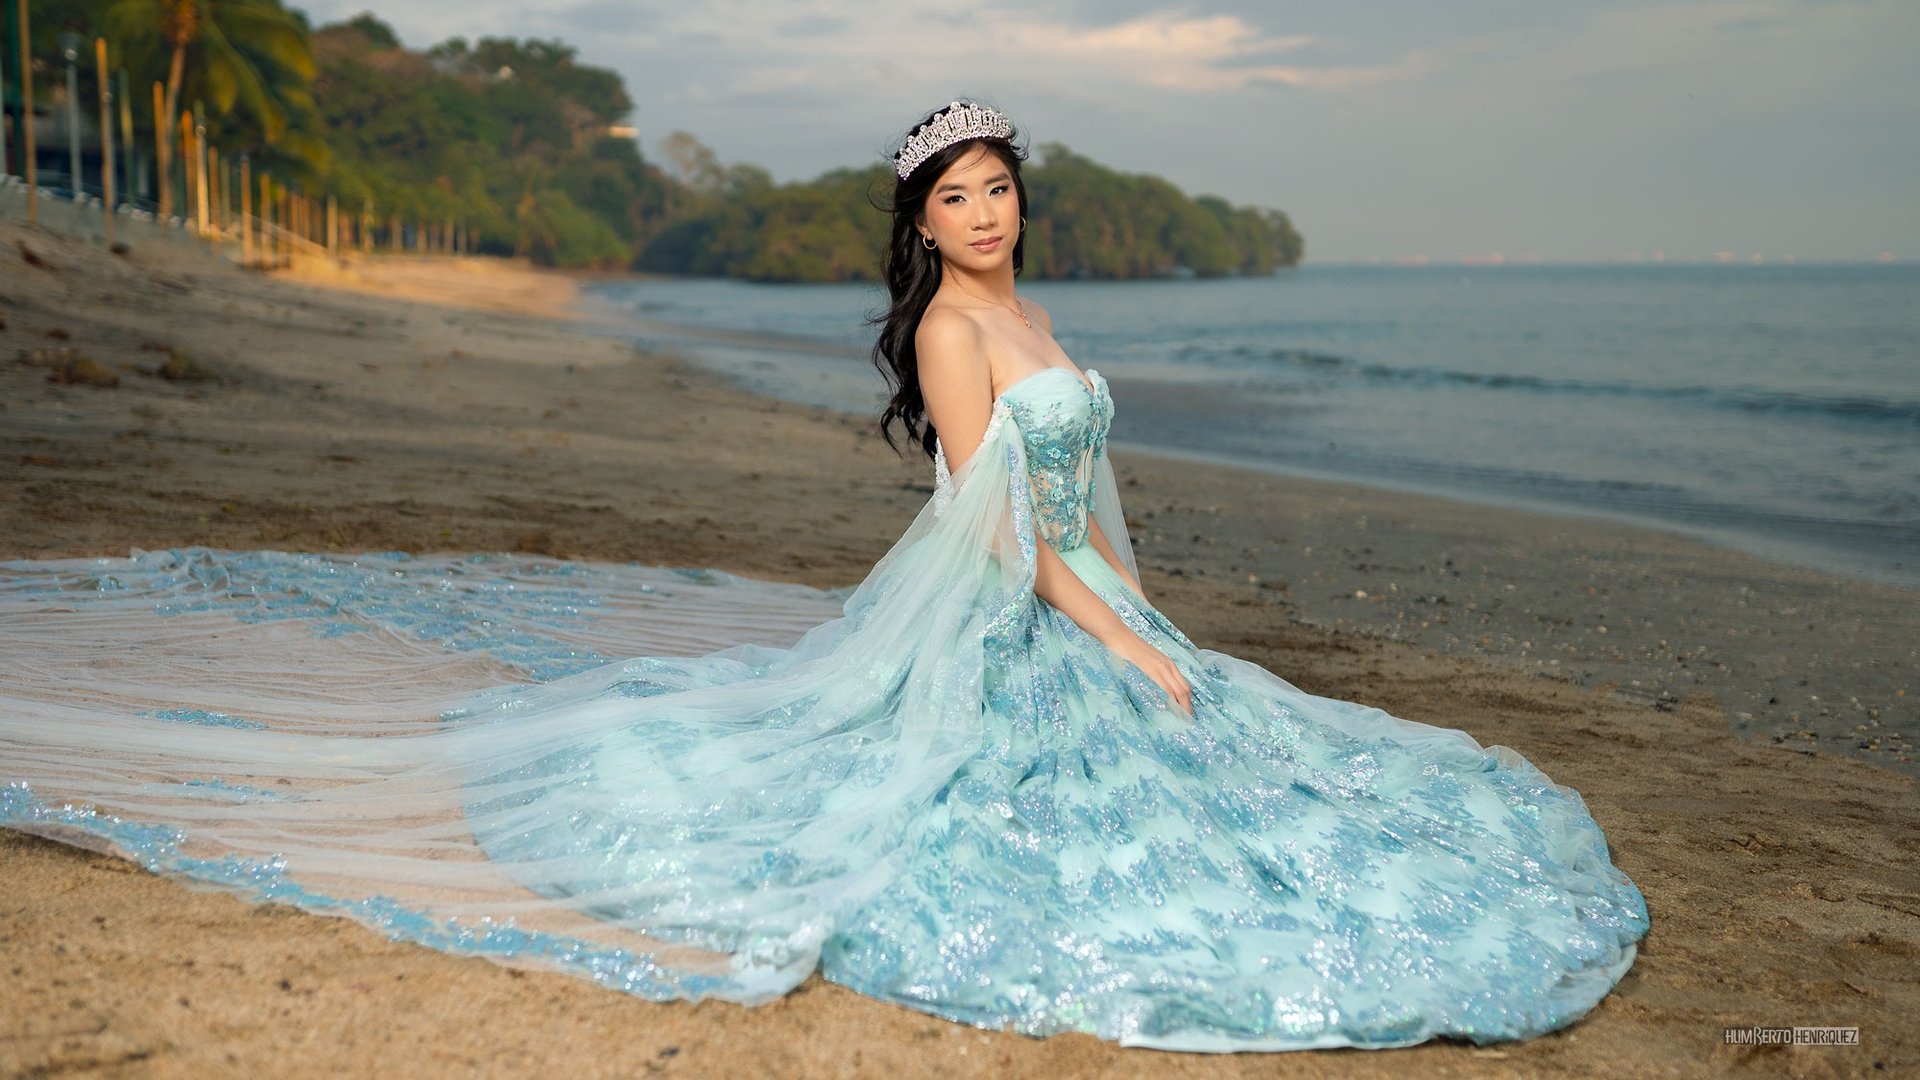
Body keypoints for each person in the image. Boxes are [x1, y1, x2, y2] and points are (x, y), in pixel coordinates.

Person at [0, 100, 1646, 1052]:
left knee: (1282, 769)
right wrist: (1121, 637)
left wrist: (1145, 620)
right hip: (1021, 606)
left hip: (1085, 587)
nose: (984, 213)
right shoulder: (949, 334)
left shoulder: (1032, 310)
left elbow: (1080, 491)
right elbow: (998, 525)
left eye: (998, 187)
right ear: (921, 223)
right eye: (955, 197)